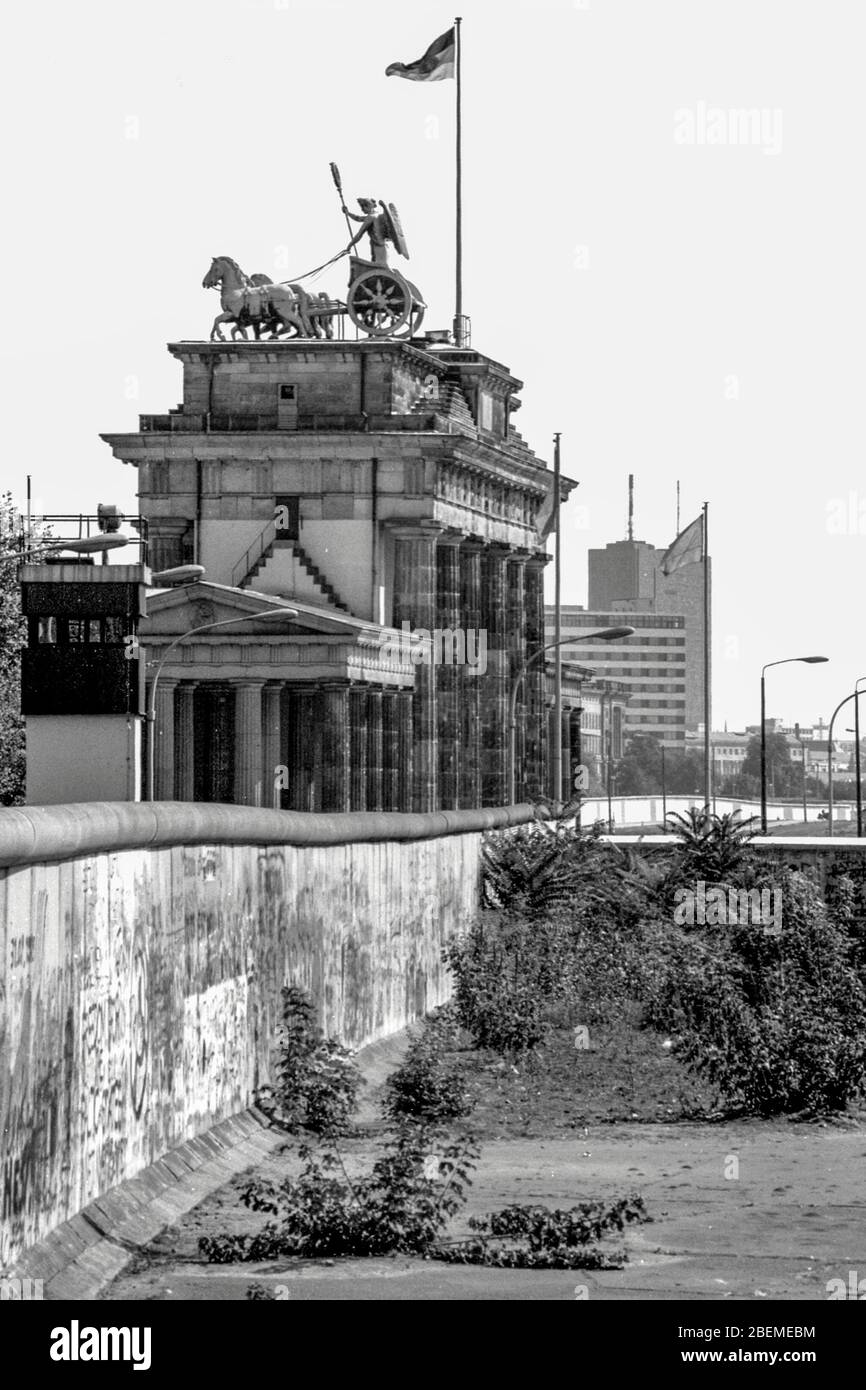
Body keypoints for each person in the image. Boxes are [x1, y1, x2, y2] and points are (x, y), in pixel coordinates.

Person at [342, 197, 391, 266]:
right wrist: (348, 213)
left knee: (378, 269)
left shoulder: (370, 217)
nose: (362, 210)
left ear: (368, 206)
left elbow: (359, 234)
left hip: (378, 250)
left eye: (363, 207)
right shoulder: (377, 215)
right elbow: (358, 218)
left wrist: (350, 245)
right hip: (382, 248)